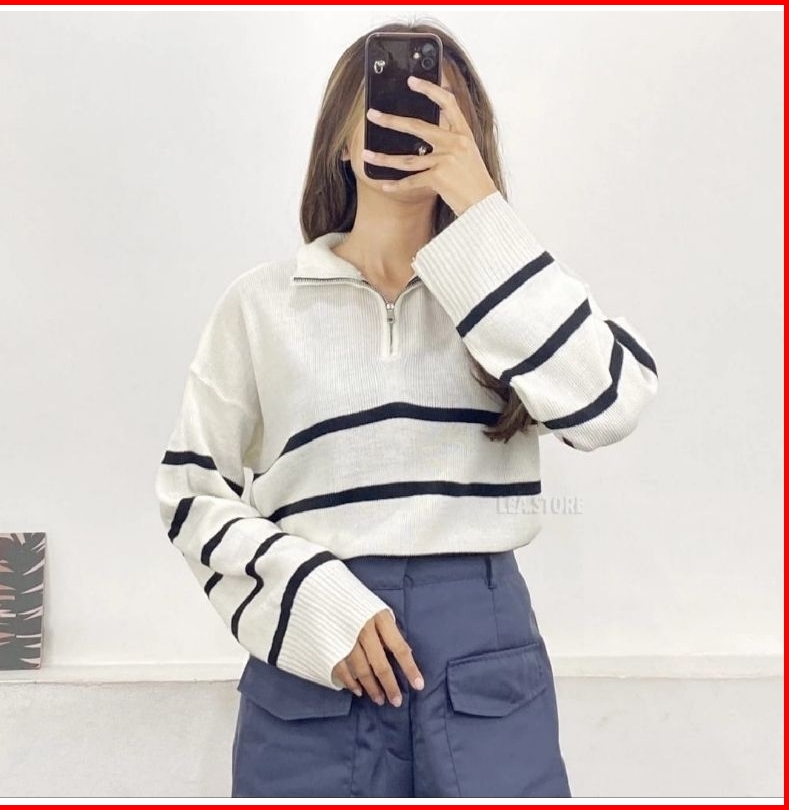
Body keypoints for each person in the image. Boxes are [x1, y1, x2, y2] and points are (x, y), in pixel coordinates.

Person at [154, 18, 659, 799]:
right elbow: (190, 493)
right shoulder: (259, 305)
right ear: (340, 136)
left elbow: (611, 402)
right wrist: (309, 597)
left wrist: (480, 208)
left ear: (469, 137)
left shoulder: (504, 292)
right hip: (315, 663)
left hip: (484, 655)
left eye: (434, 107)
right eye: (386, 100)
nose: (406, 118)